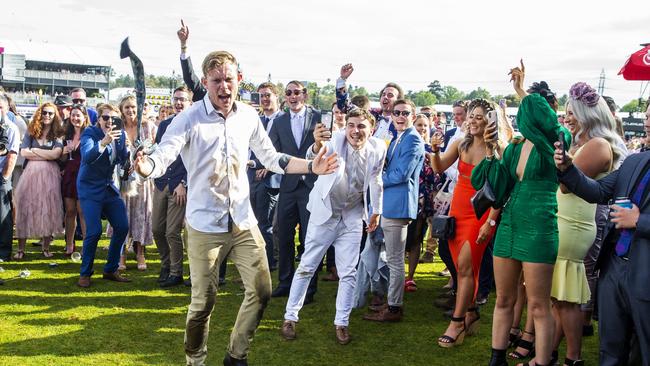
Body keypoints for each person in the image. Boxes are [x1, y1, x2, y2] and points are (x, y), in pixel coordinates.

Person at [133, 50, 338, 366]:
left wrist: (312, 166)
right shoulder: (188, 119)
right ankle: (196, 360)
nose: (224, 87)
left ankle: (236, 356)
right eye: (217, 81)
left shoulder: (248, 116)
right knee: (203, 304)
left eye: (229, 79)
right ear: (205, 83)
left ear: (239, 80)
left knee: (262, 291)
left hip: (243, 222)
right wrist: (146, 166)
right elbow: (163, 156)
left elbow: (272, 158)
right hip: (204, 226)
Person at [474, 94, 571, 366]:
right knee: (504, 297)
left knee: (539, 304)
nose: (523, 118)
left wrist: (523, 92)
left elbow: (552, 127)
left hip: (540, 226)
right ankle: (497, 357)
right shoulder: (515, 147)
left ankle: (542, 361)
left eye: (525, 112)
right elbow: (497, 186)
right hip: (509, 224)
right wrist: (493, 150)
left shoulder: (556, 141)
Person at [554, 101, 650, 366]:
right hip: (614, 269)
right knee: (610, 348)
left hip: (645, 272)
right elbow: (597, 191)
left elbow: (636, 218)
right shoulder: (634, 161)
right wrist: (567, 169)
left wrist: (640, 221)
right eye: (647, 115)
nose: (647, 120)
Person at [281, 108, 385, 345]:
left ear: (372, 129)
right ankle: (290, 318)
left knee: (348, 272)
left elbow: (376, 179)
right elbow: (317, 151)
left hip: (352, 215)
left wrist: (376, 211)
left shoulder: (379, 148)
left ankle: (342, 323)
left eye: (361, 126)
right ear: (345, 126)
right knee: (307, 266)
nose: (355, 131)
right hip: (325, 212)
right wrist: (317, 144)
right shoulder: (336, 138)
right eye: (351, 125)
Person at [550, 82, 625, 365]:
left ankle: (573, 357)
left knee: (565, 298)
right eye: (566, 111)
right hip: (565, 219)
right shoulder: (579, 142)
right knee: (559, 296)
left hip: (574, 222)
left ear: (588, 114)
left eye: (572, 112)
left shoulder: (598, 145)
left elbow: (569, 186)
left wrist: (561, 165)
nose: (567, 117)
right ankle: (551, 354)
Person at [431, 99, 511, 347]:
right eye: (471, 116)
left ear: (491, 122)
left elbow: (500, 190)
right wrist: (435, 150)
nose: (474, 121)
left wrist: (491, 222)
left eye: (480, 117)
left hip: (480, 215)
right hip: (457, 211)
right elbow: (439, 167)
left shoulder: (500, 150)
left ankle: (457, 322)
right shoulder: (460, 144)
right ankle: (472, 310)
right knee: (461, 266)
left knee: (465, 266)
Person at [362, 99, 424, 322]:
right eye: (396, 112)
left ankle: (395, 308)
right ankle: (391, 303)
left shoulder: (413, 140)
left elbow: (400, 175)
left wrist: (374, 180)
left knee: (396, 260)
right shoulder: (398, 137)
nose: (400, 116)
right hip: (390, 204)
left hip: (398, 206)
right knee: (392, 258)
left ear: (412, 116)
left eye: (405, 113)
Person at [268, 81, 321, 302]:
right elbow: (272, 151)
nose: (292, 96)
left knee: (311, 238)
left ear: (304, 95)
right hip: (288, 187)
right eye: (288, 93)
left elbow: (327, 146)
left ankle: (308, 288)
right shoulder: (279, 121)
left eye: (296, 92)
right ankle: (285, 282)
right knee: (284, 235)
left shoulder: (318, 116)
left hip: (312, 186)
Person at [76, 103, 130, 288]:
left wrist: (134, 155)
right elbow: (87, 157)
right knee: (94, 231)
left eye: (113, 118)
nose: (109, 121)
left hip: (108, 187)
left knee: (122, 226)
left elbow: (123, 160)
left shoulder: (120, 134)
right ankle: (85, 273)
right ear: (98, 119)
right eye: (105, 117)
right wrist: (104, 142)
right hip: (89, 188)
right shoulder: (90, 134)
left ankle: (110, 269)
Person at [14, 103, 64, 259]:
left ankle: (46, 247)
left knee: (49, 209)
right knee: (26, 208)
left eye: (50, 113)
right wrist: (44, 154)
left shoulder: (58, 134)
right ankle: (21, 249)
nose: (47, 116)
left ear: (55, 115)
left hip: (50, 175)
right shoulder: (31, 131)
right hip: (30, 175)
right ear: (39, 114)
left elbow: (56, 154)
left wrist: (34, 151)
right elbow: (23, 152)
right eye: (44, 113)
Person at [152, 86, 191, 287]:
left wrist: (184, 183)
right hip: (161, 183)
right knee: (157, 229)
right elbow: (160, 152)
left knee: (172, 231)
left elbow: (193, 160)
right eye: (176, 99)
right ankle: (166, 265)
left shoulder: (194, 125)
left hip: (179, 185)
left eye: (182, 99)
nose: (178, 103)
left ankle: (176, 272)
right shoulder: (164, 124)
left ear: (189, 102)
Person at [115, 95, 156, 271]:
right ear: (122, 110)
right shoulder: (118, 127)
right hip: (123, 177)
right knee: (122, 215)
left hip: (142, 179)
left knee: (141, 215)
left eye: (133, 107)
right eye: (127, 108)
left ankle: (140, 253)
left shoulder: (148, 127)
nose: (131, 111)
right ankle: (122, 254)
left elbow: (156, 150)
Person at [248, 82, 283, 272]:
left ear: (276, 97)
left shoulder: (284, 120)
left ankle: (268, 263)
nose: (264, 99)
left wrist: (268, 168)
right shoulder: (257, 120)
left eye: (268, 95)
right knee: (252, 224)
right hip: (252, 175)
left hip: (272, 180)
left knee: (266, 225)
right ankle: (255, 261)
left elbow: (283, 151)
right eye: (261, 95)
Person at [404, 114, 440, 292]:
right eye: (419, 125)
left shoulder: (431, 151)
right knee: (400, 238)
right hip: (404, 197)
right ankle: (394, 275)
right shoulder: (405, 146)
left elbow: (437, 175)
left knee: (416, 238)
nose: (422, 128)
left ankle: (410, 277)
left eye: (425, 126)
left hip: (422, 199)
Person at [61, 104, 91, 256]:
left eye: (78, 115)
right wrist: (64, 152)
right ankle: (69, 244)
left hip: (84, 174)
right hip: (69, 174)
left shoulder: (90, 133)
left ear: (85, 117)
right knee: (70, 211)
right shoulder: (66, 134)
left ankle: (87, 245)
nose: (75, 118)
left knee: (82, 212)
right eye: (73, 115)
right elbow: (63, 159)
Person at [0, 94, 20, 262]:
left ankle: (4, 253)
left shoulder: (11, 128)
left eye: (0, 107)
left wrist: (4, 178)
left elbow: (12, 155)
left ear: (7, 109)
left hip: (1, 177)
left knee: (3, 216)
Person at [177, 19, 206, 102]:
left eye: (227, 79)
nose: (223, 85)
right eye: (216, 80)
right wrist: (183, 44)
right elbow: (189, 77)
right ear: (206, 81)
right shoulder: (204, 95)